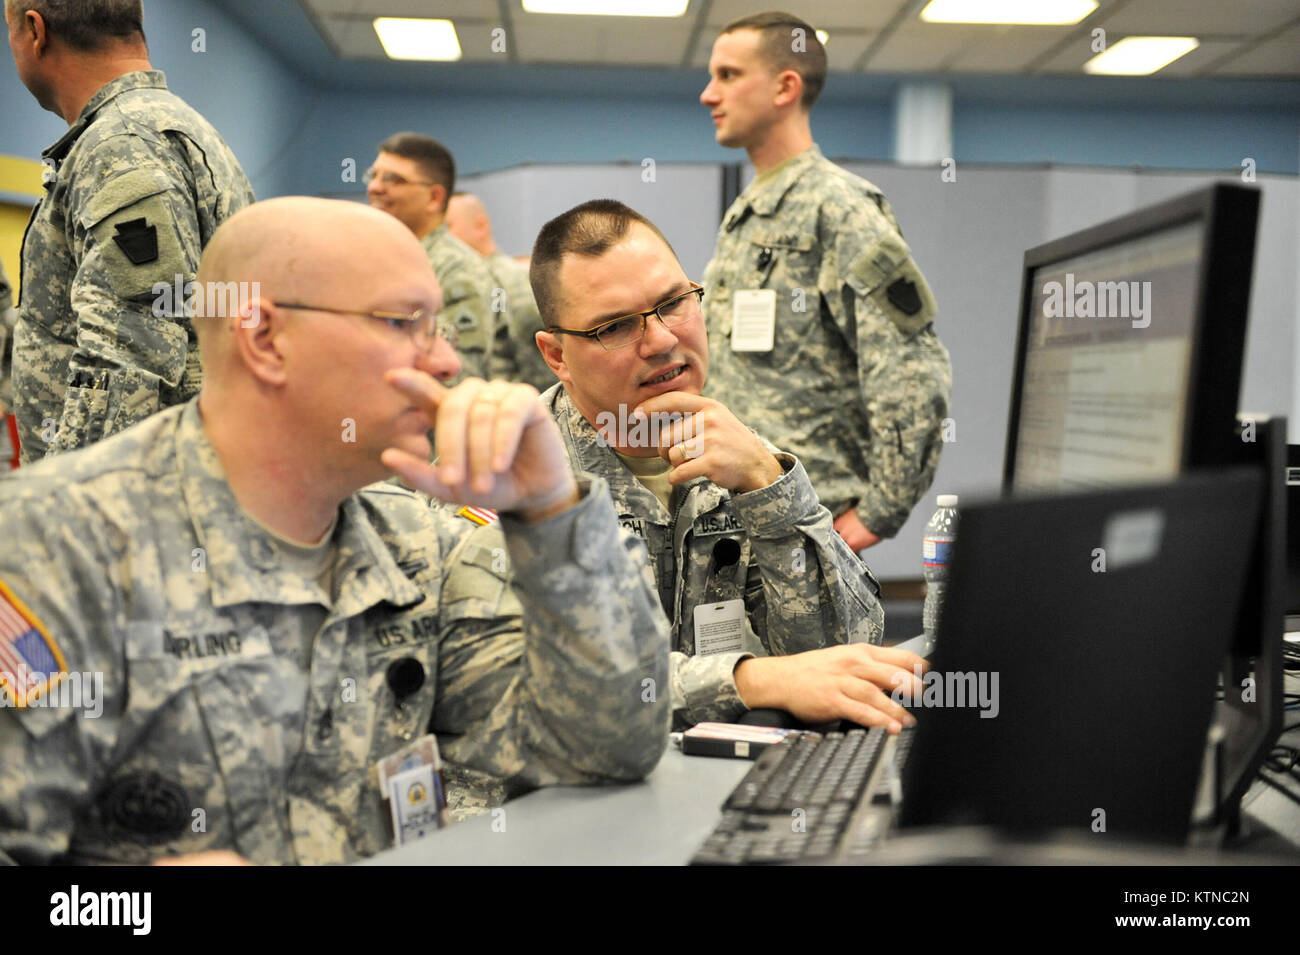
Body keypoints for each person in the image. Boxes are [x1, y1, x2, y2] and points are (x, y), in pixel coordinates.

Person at [0, 197, 669, 865]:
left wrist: (552, 509)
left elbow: (608, 749)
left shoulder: (411, 543)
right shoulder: (53, 543)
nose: (444, 363)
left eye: (439, 328)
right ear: (264, 338)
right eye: (406, 322)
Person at [531, 199, 925, 733]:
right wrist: (751, 682)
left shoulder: (738, 458)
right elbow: (546, 690)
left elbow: (846, 656)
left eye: (673, 303)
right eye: (616, 327)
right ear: (557, 355)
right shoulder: (506, 480)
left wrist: (769, 485)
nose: (663, 340)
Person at [699, 11, 951, 550]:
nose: (708, 94)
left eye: (728, 75)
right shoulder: (753, 208)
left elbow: (910, 367)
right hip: (743, 518)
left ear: (785, 87)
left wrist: (881, 511)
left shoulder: (839, 209)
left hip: (804, 523)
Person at [6, 0, 254, 463]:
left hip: (121, 508)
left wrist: (68, 504)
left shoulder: (121, 146)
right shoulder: (170, 126)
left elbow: (128, 359)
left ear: (35, 31)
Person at [366, 133, 494, 381]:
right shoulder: (382, 260)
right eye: (373, 176)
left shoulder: (457, 269)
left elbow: (458, 374)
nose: (375, 187)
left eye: (393, 179)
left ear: (434, 198)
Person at [446, 191, 554, 392]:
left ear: (481, 226)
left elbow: (536, 344)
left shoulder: (507, 279)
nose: (442, 239)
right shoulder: (463, 281)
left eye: (447, 227)